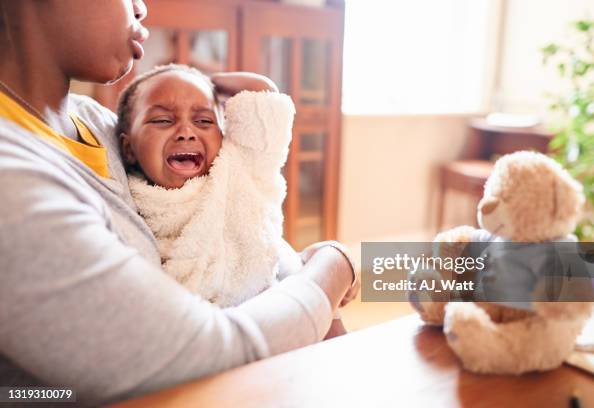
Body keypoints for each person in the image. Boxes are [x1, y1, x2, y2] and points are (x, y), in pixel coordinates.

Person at [0, 1, 357, 405]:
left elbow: (236, 217)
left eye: (203, 120)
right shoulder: (11, 178)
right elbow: (207, 355)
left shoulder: (94, 121)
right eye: (163, 119)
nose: (140, 6)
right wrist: (333, 268)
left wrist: (296, 271)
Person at [117, 63, 348, 333]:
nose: (186, 131)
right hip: (208, 338)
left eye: (204, 120)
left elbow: (265, 97)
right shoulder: (127, 200)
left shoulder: (237, 167)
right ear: (128, 148)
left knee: (335, 334)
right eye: (162, 120)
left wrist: (203, 80)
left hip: (280, 305)